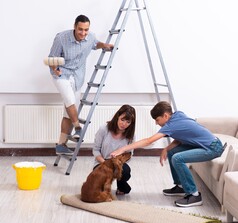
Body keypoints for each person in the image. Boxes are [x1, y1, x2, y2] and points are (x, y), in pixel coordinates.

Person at [111, 101, 225, 207]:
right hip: (206, 144)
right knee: (172, 152)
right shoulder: (178, 115)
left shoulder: (171, 125)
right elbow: (181, 136)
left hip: (212, 148)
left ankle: (194, 195)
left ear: (165, 116)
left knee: (177, 158)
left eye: (157, 119)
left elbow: (149, 141)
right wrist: (166, 148)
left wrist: (123, 149)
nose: (156, 123)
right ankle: (180, 186)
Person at [48, 15, 113, 155]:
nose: (83, 33)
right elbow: (52, 58)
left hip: (77, 77)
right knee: (69, 101)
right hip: (61, 74)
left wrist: (105, 45)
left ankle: (61, 145)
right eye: (80, 30)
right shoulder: (61, 38)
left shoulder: (90, 37)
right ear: (74, 26)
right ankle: (78, 127)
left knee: (68, 112)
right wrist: (54, 68)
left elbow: (95, 44)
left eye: (86, 30)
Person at [93, 105, 136, 195]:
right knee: (98, 190)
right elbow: (96, 150)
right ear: (117, 117)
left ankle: (121, 186)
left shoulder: (131, 135)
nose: (124, 124)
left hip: (119, 163)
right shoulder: (104, 129)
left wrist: (118, 163)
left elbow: (129, 154)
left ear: (131, 123)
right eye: (122, 120)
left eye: (128, 122)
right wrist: (105, 163)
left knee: (126, 172)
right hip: (102, 162)